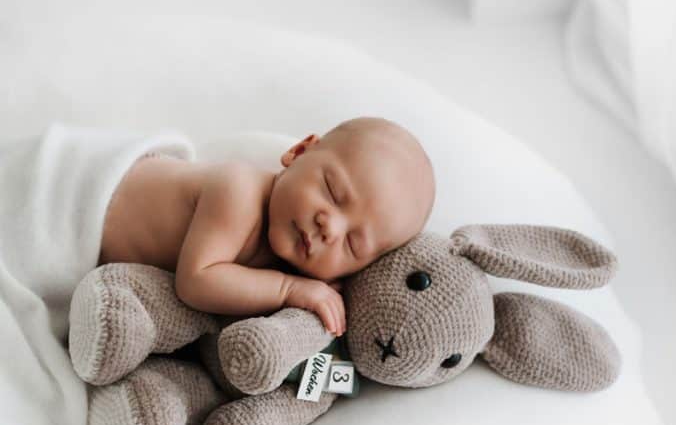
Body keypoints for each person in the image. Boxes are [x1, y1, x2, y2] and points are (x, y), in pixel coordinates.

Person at [98, 116, 436, 337]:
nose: (329, 228)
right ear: (299, 151)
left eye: (353, 244)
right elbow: (196, 281)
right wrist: (289, 290)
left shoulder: (284, 259)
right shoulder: (238, 190)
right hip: (91, 200)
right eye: (332, 192)